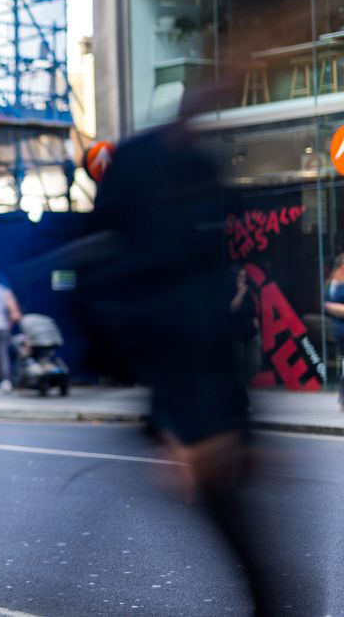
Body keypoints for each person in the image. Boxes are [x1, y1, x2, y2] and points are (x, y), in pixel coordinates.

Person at [76, 108, 282, 614]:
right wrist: (174, 422)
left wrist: (240, 425)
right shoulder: (150, 169)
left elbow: (200, 308)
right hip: (192, 407)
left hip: (206, 403)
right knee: (253, 564)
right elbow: (144, 302)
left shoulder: (199, 170)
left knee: (257, 565)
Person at [228, 265, 260, 393]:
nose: (243, 279)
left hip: (251, 332)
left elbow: (253, 311)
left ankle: (244, 386)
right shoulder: (230, 290)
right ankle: (240, 392)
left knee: (255, 363)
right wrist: (240, 293)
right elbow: (231, 309)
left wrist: (257, 327)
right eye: (241, 276)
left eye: (244, 276)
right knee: (239, 365)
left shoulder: (248, 290)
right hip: (236, 333)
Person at [324, 254, 344, 409]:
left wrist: (333, 308)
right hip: (339, 331)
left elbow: (328, 305)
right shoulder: (332, 284)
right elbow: (325, 305)